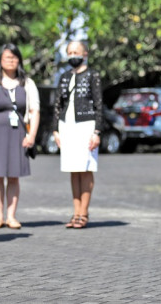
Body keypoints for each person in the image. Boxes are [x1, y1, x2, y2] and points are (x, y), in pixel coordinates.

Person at [0, 44, 40, 230]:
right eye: (7, 57)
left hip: (18, 135)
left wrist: (31, 136)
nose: (11, 60)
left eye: (14, 57)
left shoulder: (27, 83)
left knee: (14, 176)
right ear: (0, 60)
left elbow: (35, 110)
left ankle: (12, 216)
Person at [52, 41, 103, 230]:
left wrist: (97, 131)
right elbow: (58, 104)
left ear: (85, 53)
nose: (73, 55)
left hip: (86, 125)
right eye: (70, 52)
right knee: (73, 169)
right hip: (68, 125)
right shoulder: (64, 77)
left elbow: (99, 104)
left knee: (86, 167)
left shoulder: (93, 75)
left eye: (76, 52)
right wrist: (56, 130)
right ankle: (75, 212)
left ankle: (84, 212)